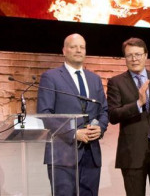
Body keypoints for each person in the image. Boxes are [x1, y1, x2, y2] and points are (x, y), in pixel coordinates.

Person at [37, 33, 109, 196]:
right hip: (63, 154)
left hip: (91, 154)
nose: (78, 50)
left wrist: (101, 128)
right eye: (73, 46)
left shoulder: (95, 79)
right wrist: (74, 133)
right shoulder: (51, 77)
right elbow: (45, 114)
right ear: (64, 50)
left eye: (82, 47)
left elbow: (104, 110)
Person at [107, 37, 150, 196]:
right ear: (125, 58)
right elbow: (113, 115)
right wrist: (138, 103)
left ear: (145, 55)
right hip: (132, 153)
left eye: (138, 54)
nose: (134, 59)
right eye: (130, 55)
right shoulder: (116, 82)